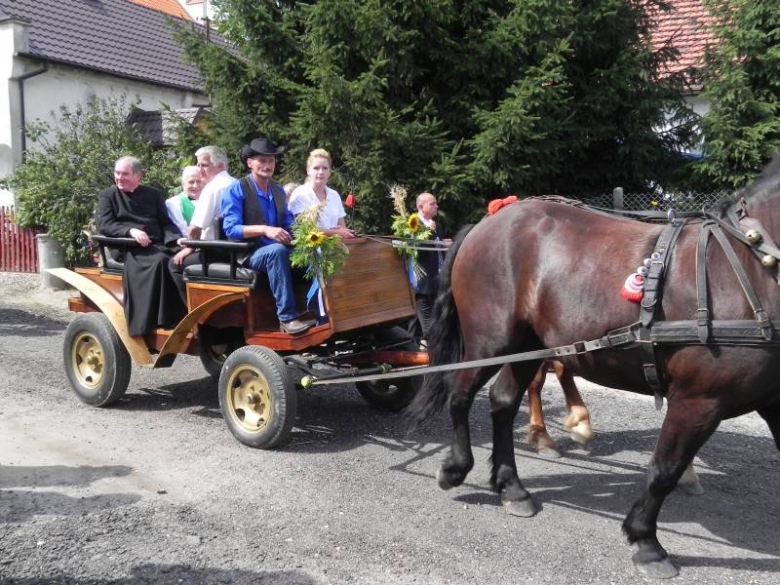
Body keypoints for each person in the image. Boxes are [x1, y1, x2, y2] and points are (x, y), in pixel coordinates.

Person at [220, 138, 313, 335]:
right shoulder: (236, 189)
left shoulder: (278, 191)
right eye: (261, 160)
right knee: (276, 251)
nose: (267, 165)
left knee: (315, 253)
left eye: (270, 161)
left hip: (278, 250)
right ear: (249, 163)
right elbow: (231, 229)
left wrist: (309, 237)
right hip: (248, 254)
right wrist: (264, 229)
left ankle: (317, 311)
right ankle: (287, 319)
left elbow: (289, 224)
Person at [95, 156, 184, 336]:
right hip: (128, 247)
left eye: (125, 174)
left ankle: (183, 314)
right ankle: (155, 322)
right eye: (117, 173)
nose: (119, 177)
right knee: (161, 262)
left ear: (138, 176)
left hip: (158, 244)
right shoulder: (108, 195)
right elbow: (105, 225)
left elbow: (165, 223)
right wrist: (130, 232)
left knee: (182, 259)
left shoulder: (153, 194)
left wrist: (177, 240)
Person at [169, 146, 236, 305]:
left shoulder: (213, 187)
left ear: (219, 166)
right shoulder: (236, 183)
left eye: (204, 165)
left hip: (217, 251)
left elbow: (195, 227)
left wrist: (190, 248)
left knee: (174, 265)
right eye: (198, 165)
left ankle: (191, 315)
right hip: (236, 250)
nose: (199, 169)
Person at [288, 149, 355, 238]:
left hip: (336, 246)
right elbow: (305, 229)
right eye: (316, 168)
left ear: (329, 172)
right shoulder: (300, 194)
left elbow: (342, 227)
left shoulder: (334, 195)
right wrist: (336, 232)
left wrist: (341, 232)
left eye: (325, 168)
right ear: (308, 171)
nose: (320, 172)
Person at [413, 192, 451, 338]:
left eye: (436, 203)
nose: (437, 206)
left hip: (439, 282)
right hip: (424, 285)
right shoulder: (412, 223)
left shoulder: (437, 226)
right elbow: (417, 252)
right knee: (430, 329)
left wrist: (445, 246)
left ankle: (414, 351)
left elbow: (436, 252)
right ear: (421, 206)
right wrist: (429, 231)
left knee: (433, 323)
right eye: (432, 203)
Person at [165, 166, 203, 237]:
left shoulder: (211, 199)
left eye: (199, 181)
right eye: (191, 182)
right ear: (183, 184)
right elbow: (181, 230)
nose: (195, 185)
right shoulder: (173, 203)